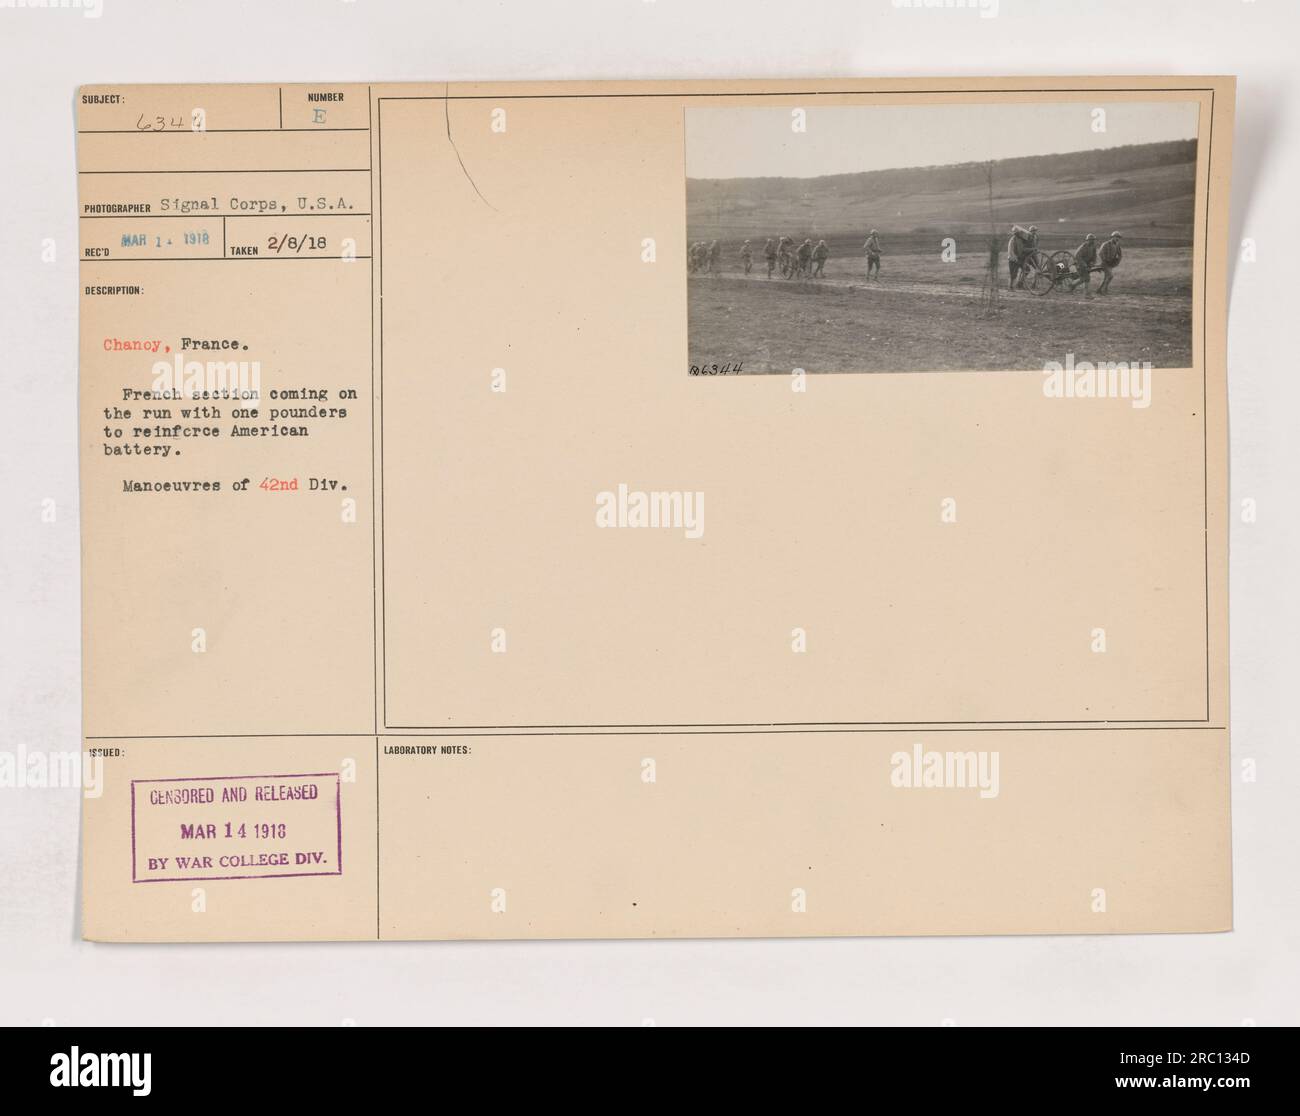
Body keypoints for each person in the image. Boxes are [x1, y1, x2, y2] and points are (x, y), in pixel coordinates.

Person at [1007, 224, 1039, 289]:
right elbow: (1011, 250)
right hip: (1013, 259)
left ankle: (1020, 283)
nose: (1018, 234)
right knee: (1013, 274)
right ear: (1015, 233)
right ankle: (1011, 287)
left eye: (1018, 233)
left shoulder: (1022, 239)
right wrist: (1014, 257)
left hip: (1020, 258)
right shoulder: (1012, 240)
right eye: (1017, 233)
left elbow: (1024, 248)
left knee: (1027, 269)